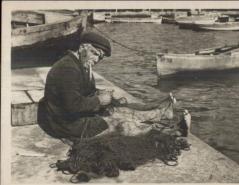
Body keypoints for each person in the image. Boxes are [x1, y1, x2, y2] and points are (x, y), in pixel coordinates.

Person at [37, 31, 190, 142]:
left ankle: (162, 114)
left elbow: (84, 92)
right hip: (64, 124)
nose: (97, 59)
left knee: (118, 110)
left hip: (70, 118)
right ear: (84, 47)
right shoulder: (67, 69)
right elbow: (72, 106)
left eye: (100, 57)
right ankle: (171, 130)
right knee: (120, 125)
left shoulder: (81, 64)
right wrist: (99, 101)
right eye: (95, 53)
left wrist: (100, 93)